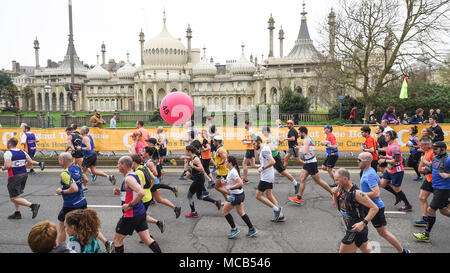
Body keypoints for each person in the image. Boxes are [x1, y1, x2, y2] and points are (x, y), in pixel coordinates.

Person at [55, 152, 113, 252]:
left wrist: (62, 191)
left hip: (70, 205)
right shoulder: (78, 168)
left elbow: (74, 189)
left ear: (63, 161)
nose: (58, 161)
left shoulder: (65, 173)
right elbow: (85, 179)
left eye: (59, 159)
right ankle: (107, 243)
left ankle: (61, 249)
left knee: (62, 227)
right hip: (82, 201)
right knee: (88, 224)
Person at [357, 153, 411, 253]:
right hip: (367, 205)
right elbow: (381, 184)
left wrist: (360, 194)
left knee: (383, 233)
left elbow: (376, 194)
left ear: (367, 161)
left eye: (359, 160)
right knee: (358, 228)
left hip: (375, 208)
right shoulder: (370, 171)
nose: (357, 162)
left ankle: (402, 251)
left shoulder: (369, 174)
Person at [112, 156, 162, 253]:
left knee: (117, 240)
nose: (117, 165)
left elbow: (141, 193)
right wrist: (121, 192)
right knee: (147, 239)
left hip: (131, 214)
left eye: (118, 163)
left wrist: (129, 205)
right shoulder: (135, 175)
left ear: (124, 165)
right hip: (140, 212)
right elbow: (135, 192)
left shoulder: (128, 179)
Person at [332, 168, 379, 253]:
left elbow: (375, 208)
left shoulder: (357, 193)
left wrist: (363, 223)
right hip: (353, 227)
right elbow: (339, 207)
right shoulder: (341, 189)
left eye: (337, 180)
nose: (335, 183)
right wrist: (334, 194)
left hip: (356, 228)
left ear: (345, 179)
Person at [413, 141, 450, 242]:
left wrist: (448, 175)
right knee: (443, 211)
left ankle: (426, 234)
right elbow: (433, 168)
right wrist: (426, 169)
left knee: (430, 210)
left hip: (443, 189)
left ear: (443, 149)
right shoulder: (435, 157)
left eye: (436, 149)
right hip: (435, 187)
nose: (434, 151)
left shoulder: (448, 159)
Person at [289, 126, 333, 205]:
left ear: (303, 133)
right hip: (308, 162)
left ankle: (333, 193)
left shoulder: (306, 140)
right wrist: (299, 148)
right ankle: (298, 198)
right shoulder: (307, 139)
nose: (298, 135)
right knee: (302, 179)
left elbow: (305, 152)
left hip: (311, 163)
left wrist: (299, 149)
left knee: (318, 181)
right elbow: (307, 150)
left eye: (299, 133)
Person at [2, 137, 40, 220]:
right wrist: (22, 166)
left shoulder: (8, 153)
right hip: (24, 175)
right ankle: (17, 213)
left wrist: (3, 168)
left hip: (14, 176)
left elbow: (7, 166)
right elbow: (30, 162)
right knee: (16, 195)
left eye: (7, 143)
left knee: (13, 198)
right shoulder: (22, 151)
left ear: (10, 144)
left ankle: (33, 206)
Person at [222, 156, 258, 239]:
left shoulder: (233, 172)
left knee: (225, 211)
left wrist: (229, 188)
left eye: (226, 162)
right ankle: (252, 229)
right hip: (239, 195)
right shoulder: (232, 171)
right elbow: (233, 182)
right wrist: (225, 183)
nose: (225, 163)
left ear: (230, 163)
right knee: (241, 212)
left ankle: (234, 229)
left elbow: (240, 183)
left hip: (236, 196)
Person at [131, 154, 166, 234]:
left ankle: (147, 236)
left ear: (134, 162)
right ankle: (158, 224)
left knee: (139, 217)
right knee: (142, 216)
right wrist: (149, 188)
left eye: (130, 162)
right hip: (148, 196)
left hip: (142, 198)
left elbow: (140, 187)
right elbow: (154, 178)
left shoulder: (138, 172)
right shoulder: (145, 168)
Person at [379, 130, 413, 212]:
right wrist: (385, 158)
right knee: (382, 184)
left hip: (397, 170)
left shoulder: (395, 147)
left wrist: (384, 161)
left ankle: (408, 205)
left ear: (391, 137)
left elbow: (396, 161)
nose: (385, 137)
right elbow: (391, 158)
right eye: (385, 135)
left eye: (387, 135)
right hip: (390, 169)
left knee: (396, 188)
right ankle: (398, 195)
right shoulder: (389, 145)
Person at [253, 136, 285, 222]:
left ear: (258, 142)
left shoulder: (264, 150)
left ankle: (277, 209)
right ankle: (280, 215)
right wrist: (254, 149)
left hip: (266, 176)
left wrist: (262, 168)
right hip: (268, 175)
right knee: (269, 194)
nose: (253, 145)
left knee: (258, 196)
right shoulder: (263, 149)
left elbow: (273, 162)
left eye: (254, 143)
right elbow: (257, 160)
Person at [143, 147, 181, 218]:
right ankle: (175, 208)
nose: (142, 152)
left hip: (152, 183)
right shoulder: (148, 161)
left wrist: (147, 175)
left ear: (147, 153)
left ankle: (142, 216)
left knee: (144, 199)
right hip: (153, 183)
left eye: (143, 151)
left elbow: (156, 173)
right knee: (159, 200)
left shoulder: (149, 162)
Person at [184, 145, 221, 217]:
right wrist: (186, 162)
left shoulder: (195, 159)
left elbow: (202, 169)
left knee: (189, 196)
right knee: (199, 197)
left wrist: (192, 166)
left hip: (198, 180)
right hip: (198, 179)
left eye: (186, 151)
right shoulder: (192, 158)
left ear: (189, 151)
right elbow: (186, 170)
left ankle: (193, 212)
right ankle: (215, 202)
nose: (185, 152)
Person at [261, 127, 299, 193]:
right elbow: (278, 141)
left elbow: (273, 148)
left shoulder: (270, 138)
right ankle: (262, 186)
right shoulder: (272, 135)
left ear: (266, 131)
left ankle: (296, 183)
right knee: (265, 170)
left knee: (282, 172)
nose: (262, 133)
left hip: (274, 157)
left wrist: (265, 145)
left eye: (263, 132)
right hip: (271, 157)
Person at [413, 137, 434, 227]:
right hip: (429, 179)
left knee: (444, 207)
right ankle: (425, 219)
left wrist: (425, 166)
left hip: (437, 180)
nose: (420, 147)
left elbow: (436, 166)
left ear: (427, 144)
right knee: (422, 197)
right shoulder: (426, 151)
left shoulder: (433, 152)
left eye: (421, 145)